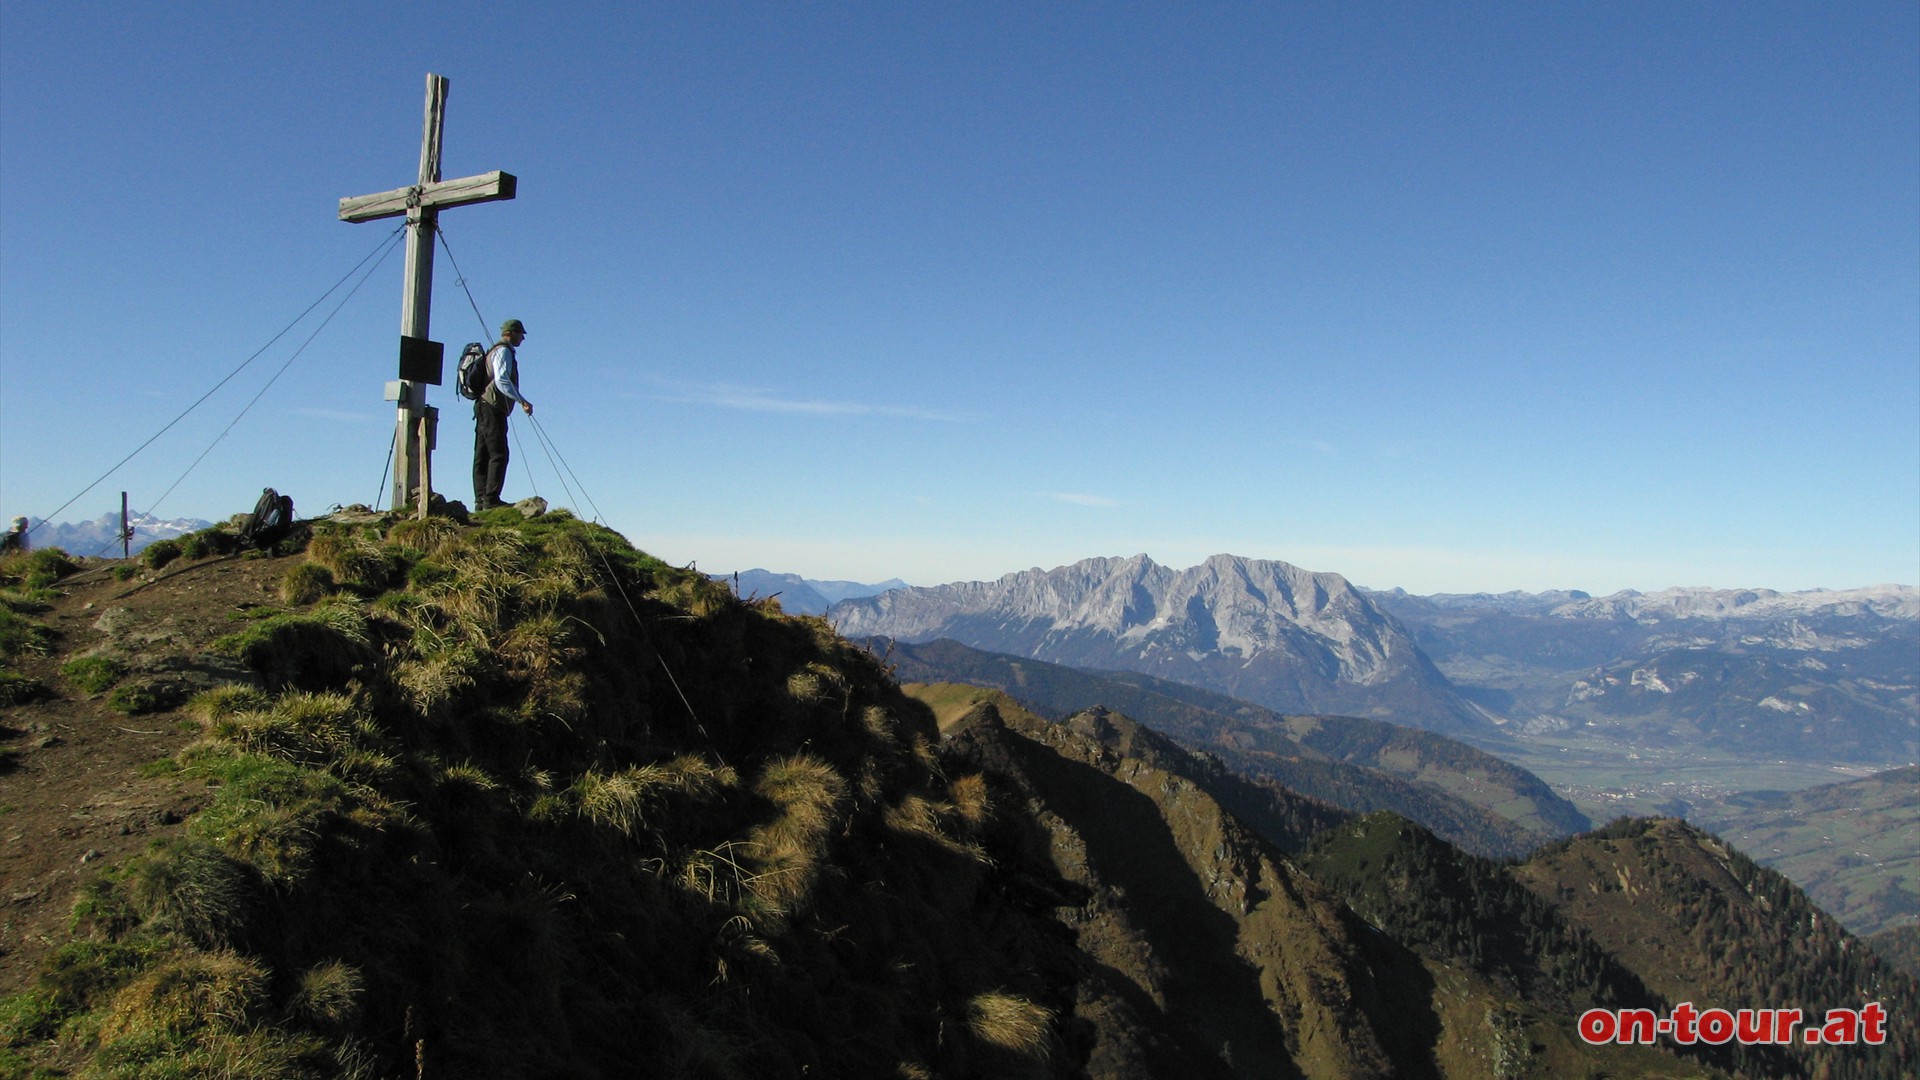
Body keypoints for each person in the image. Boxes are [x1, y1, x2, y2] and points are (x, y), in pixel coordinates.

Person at [472, 318, 534, 510]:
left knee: (481, 453)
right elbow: (502, 381)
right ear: (512, 333)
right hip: (493, 407)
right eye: (520, 334)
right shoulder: (504, 351)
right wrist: (522, 400)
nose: (522, 338)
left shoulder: (493, 351)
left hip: (482, 405)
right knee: (499, 453)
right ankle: (491, 500)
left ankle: (481, 500)